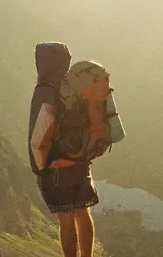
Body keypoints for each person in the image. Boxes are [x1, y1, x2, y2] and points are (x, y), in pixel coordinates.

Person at [28, 42, 109, 257]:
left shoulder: (45, 90)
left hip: (56, 166)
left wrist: (40, 167)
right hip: (81, 161)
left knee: (65, 220)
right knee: (83, 213)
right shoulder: (75, 86)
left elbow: (38, 134)